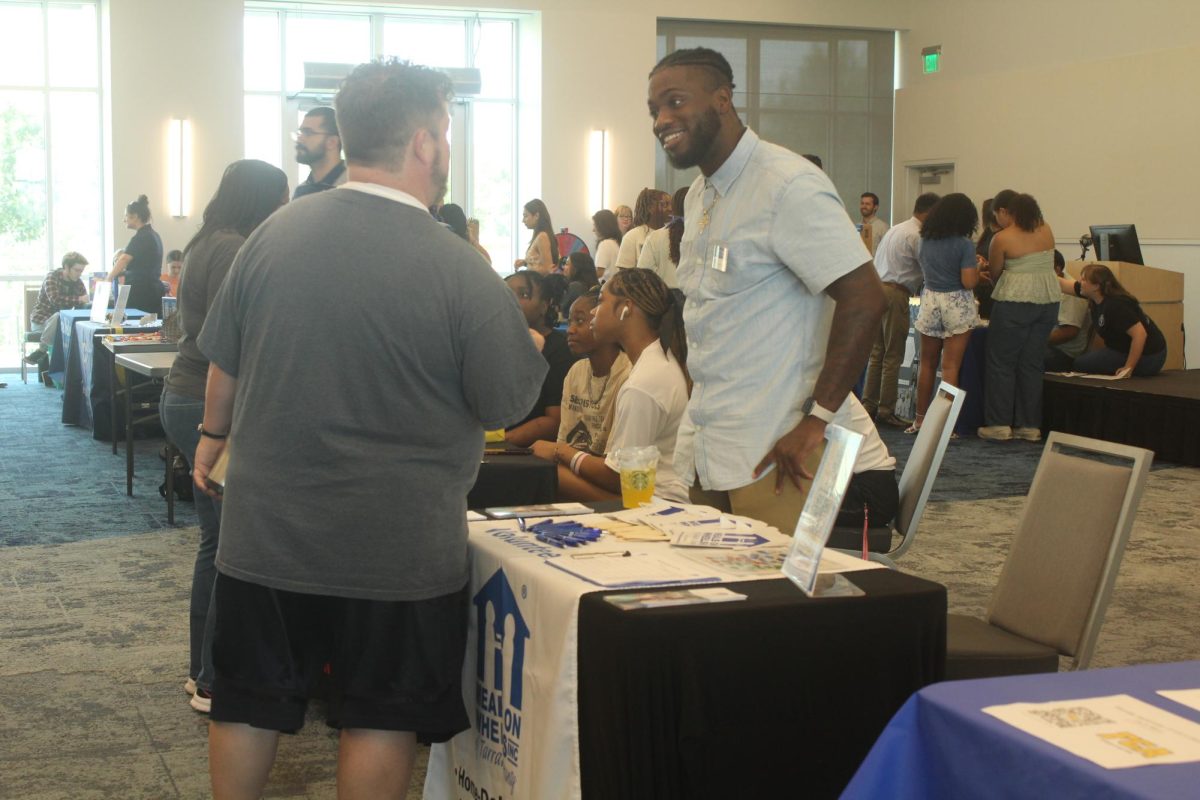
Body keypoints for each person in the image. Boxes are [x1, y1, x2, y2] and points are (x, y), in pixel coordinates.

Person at [190, 60, 546, 799]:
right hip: (398, 551)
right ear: (423, 144)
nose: (446, 149)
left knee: (248, 700)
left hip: (268, 535)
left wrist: (211, 435)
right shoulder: (460, 267)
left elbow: (223, 360)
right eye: (444, 133)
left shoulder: (271, 235)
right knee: (379, 717)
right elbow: (506, 403)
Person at [647, 47, 886, 535]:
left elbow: (865, 298)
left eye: (674, 102)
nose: (661, 120)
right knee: (710, 597)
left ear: (721, 100)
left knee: (773, 605)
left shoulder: (787, 185)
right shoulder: (699, 197)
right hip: (711, 444)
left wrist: (817, 420)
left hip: (782, 452)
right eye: (654, 110)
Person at [159, 159, 289, 714]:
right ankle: (214, 680)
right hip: (209, 402)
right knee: (231, 547)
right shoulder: (237, 248)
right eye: (281, 198)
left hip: (185, 394)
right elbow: (232, 348)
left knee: (214, 544)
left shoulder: (206, 241)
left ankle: (201, 672)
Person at [532, 269, 689, 502]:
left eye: (602, 301)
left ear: (626, 308)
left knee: (548, 473)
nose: (595, 311)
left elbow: (622, 479)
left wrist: (561, 451)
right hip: (646, 493)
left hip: (655, 503)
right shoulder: (655, 362)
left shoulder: (643, 382)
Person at [980, 191, 1060, 442]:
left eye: (997, 215)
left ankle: (999, 425)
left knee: (1001, 363)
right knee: (1032, 363)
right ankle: (1030, 426)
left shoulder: (1001, 238)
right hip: (1047, 301)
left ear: (1005, 211)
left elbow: (995, 272)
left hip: (1014, 301)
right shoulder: (1046, 229)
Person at [861, 192, 939, 427]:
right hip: (896, 293)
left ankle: (869, 405)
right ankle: (886, 410)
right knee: (893, 354)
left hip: (876, 289)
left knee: (877, 353)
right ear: (930, 213)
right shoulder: (917, 235)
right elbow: (929, 270)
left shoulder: (896, 228)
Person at [909, 193, 982, 433]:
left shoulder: (924, 240)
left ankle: (919, 419)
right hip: (956, 303)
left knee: (927, 364)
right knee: (950, 367)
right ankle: (943, 426)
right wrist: (979, 269)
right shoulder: (963, 244)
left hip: (930, 299)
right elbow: (968, 281)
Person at [531, 286, 631, 459]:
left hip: (608, 470)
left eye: (579, 321)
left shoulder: (627, 374)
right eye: (570, 322)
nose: (570, 330)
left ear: (606, 321)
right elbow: (564, 441)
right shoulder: (576, 372)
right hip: (574, 462)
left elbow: (616, 461)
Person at [504, 270, 578, 446]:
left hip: (530, 452)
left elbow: (554, 422)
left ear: (544, 306)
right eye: (506, 293)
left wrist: (496, 441)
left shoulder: (560, 350)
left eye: (523, 294)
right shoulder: (498, 343)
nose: (511, 300)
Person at [1057, 262, 1167, 377]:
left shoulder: (1116, 306)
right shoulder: (1094, 295)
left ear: (1096, 286)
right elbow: (1062, 284)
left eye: (1084, 279)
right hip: (1120, 349)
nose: (1080, 282)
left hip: (1150, 355)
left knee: (1082, 364)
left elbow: (1140, 334)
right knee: (1082, 363)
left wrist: (1128, 367)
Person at [25, 252, 90, 370]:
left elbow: (84, 302)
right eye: (77, 270)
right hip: (42, 321)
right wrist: (79, 299)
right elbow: (56, 300)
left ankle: (69, 372)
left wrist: (87, 302)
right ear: (66, 267)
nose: (80, 274)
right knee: (58, 315)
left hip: (62, 323)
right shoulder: (51, 277)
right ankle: (42, 350)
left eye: (81, 271)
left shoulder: (78, 282)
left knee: (66, 321)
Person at [108, 195, 165, 312]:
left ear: (135, 217)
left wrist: (109, 278)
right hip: (153, 289)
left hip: (140, 292)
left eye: (126, 216)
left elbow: (124, 259)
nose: (124, 219)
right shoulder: (154, 235)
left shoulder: (141, 237)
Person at [1044, 249, 1092, 372]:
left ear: (1057, 270)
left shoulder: (1071, 293)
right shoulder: (1045, 286)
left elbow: (1069, 332)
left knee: (1019, 356)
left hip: (1063, 353)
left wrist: (1034, 340)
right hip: (1050, 345)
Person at [636, 186, 687, 288]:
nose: (668, 208)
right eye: (664, 204)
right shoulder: (703, 235)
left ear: (674, 208)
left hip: (665, 298)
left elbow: (643, 274)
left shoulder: (655, 236)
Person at [291, 106, 346, 199]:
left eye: (308, 132)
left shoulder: (351, 188)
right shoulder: (302, 191)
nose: (299, 139)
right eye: (300, 132)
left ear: (332, 142)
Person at [613, 188, 669, 269]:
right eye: (664, 205)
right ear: (650, 207)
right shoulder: (632, 237)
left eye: (670, 205)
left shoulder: (670, 233)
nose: (670, 209)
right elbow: (625, 274)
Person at [514, 198, 558, 273]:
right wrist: (525, 263)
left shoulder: (542, 236)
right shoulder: (539, 236)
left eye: (526, 216)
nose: (523, 220)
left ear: (537, 215)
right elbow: (540, 263)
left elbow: (548, 269)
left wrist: (525, 272)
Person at [592, 208, 622, 279]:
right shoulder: (614, 242)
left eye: (594, 225)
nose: (593, 230)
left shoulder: (605, 244)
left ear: (602, 226)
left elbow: (599, 272)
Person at [859, 192, 888, 257]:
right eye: (862, 203)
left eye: (867, 204)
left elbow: (887, 252)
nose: (864, 206)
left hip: (875, 266)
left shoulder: (883, 227)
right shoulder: (857, 227)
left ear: (875, 207)